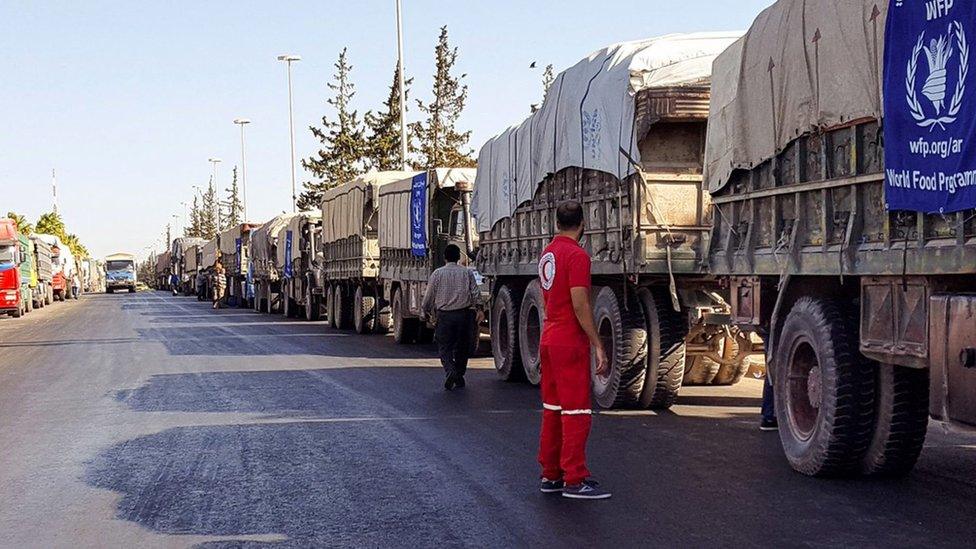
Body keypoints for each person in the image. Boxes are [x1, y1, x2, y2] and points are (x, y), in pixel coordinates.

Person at [537, 200, 611, 500]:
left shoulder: (547, 254)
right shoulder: (577, 256)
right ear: (583, 224)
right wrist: (597, 343)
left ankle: (551, 474)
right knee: (577, 411)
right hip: (569, 340)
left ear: (557, 223)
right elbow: (580, 303)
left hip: (549, 337)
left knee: (553, 410)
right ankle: (574, 478)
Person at [421, 243, 482, 390]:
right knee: (462, 347)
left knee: (445, 347)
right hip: (464, 315)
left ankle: (451, 371)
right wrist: (480, 308)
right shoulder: (466, 273)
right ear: (459, 257)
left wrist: (425, 311)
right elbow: (475, 293)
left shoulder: (437, 274)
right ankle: (459, 375)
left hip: (445, 316)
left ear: (444, 258)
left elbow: (429, 296)